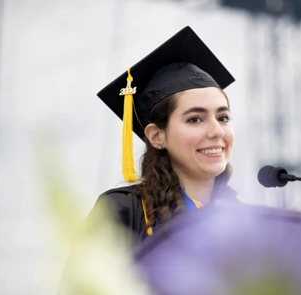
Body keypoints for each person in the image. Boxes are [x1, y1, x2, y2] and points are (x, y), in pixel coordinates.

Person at [93, 26, 239, 246]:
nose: (217, 131)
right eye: (195, 119)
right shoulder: (122, 211)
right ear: (157, 136)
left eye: (223, 117)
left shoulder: (248, 218)